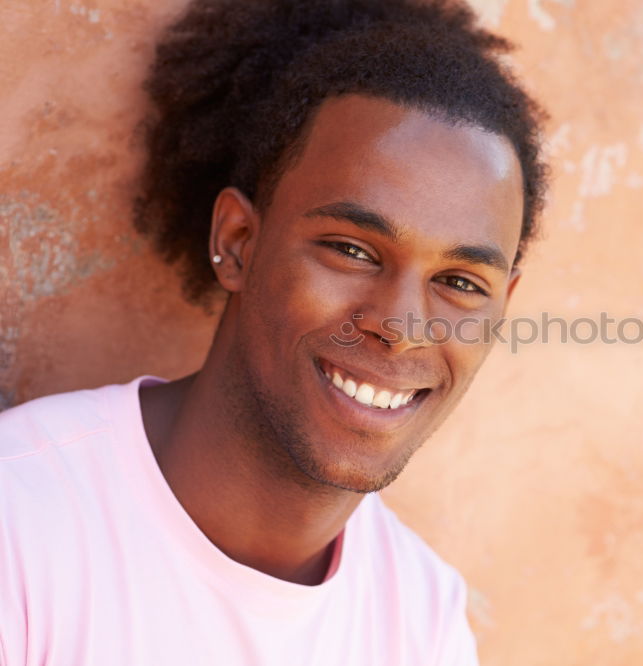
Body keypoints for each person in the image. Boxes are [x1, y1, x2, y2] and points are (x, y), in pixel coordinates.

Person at [0, 0, 547, 663]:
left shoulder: (422, 618)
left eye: (461, 283)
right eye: (353, 250)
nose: (403, 329)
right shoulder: (23, 522)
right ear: (238, 242)